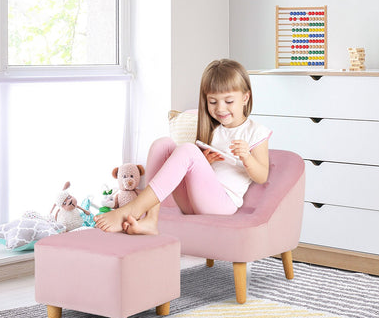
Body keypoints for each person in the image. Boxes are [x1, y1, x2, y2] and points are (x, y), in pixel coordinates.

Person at [94, 59, 272, 234]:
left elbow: (262, 176)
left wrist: (247, 158)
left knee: (187, 149)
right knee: (163, 145)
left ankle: (133, 209)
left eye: (228, 101)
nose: (220, 108)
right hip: (194, 200)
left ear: (245, 98)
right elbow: (204, 176)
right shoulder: (215, 130)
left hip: (223, 204)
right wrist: (206, 163)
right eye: (213, 102)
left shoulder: (255, 132)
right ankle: (151, 219)